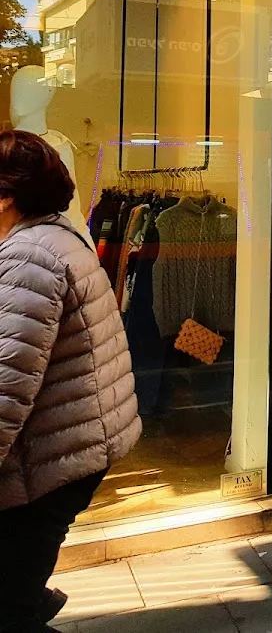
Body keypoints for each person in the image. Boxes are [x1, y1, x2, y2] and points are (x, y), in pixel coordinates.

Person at [0, 130, 141, 633]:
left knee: (9, 609)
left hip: (49, 459)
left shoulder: (30, 257)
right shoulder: (57, 235)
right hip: (70, 446)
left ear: (7, 195)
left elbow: (8, 385)